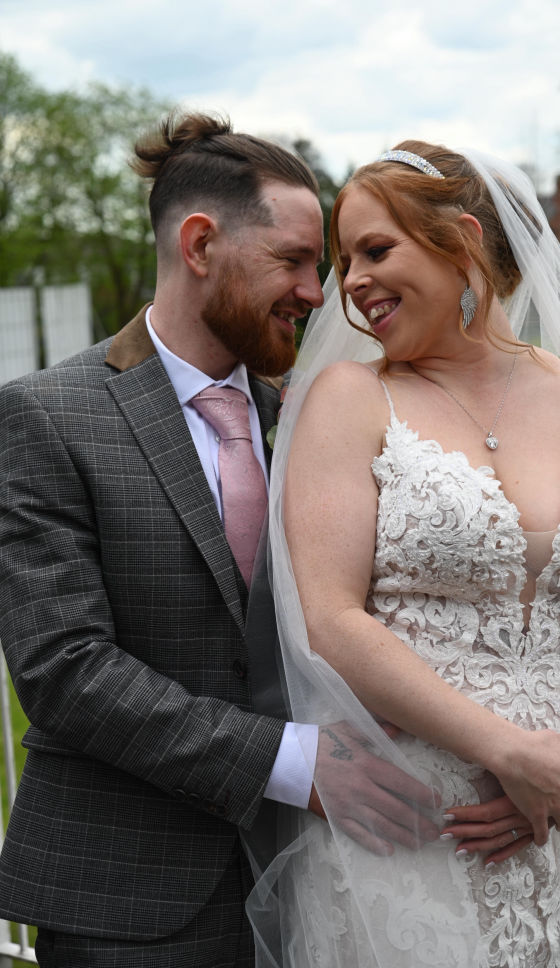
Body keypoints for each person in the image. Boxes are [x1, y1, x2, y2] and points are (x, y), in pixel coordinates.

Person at [0, 115, 442, 968]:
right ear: (200, 243)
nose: (320, 292)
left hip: (325, 883)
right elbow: (63, 669)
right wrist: (293, 764)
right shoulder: (47, 417)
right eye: (293, 261)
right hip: (129, 900)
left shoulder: (312, 420)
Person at [248, 143, 560, 966]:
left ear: (462, 240)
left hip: (550, 828)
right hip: (415, 831)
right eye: (343, 258)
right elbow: (331, 619)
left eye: (375, 249)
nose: (349, 282)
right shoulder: (352, 398)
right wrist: (505, 750)